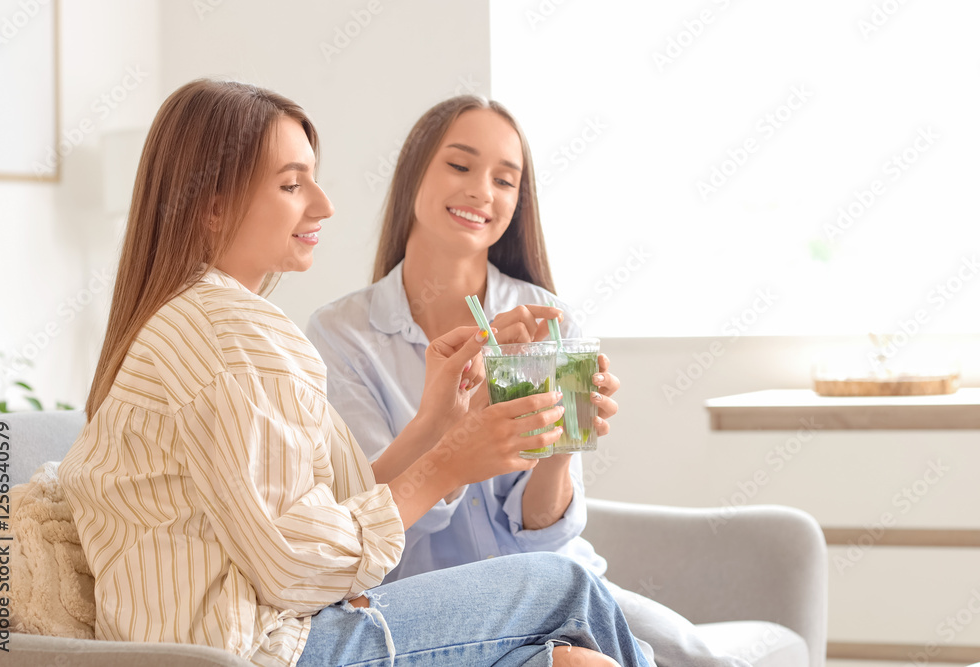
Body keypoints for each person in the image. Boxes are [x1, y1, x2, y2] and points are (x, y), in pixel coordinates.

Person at [58, 79, 649, 667]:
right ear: (213, 206)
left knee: (576, 659)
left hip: (263, 631)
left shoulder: (203, 319)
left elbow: (309, 513)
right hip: (266, 647)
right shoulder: (236, 334)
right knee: (566, 589)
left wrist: (433, 423)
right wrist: (450, 460)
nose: (324, 204)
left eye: (504, 179)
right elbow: (298, 565)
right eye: (292, 184)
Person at [306, 95, 751, 667]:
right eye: (460, 166)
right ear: (414, 172)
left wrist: (562, 447)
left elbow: (542, 533)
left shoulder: (548, 318)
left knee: (698, 656)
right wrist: (465, 423)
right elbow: (373, 514)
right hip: (436, 614)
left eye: (505, 181)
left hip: (559, 585)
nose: (482, 193)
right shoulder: (343, 335)